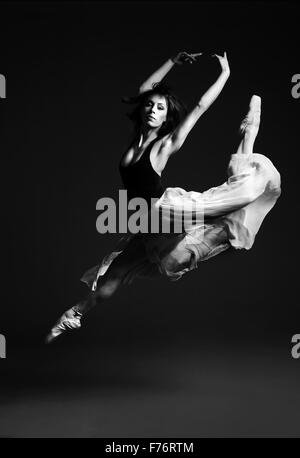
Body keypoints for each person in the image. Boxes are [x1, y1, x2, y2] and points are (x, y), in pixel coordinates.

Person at [45, 51, 281, 343]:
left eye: (160, 108)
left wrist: (225, 74)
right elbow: (146, 90)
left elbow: (199, 107)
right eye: (151, 106)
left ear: (166, 117)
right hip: (146, 224)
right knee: (114, 274)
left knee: (233, 201)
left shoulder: (165, 144)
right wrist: (172, 61)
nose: (153, 110)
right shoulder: (136, 140)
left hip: (168, 209)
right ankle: (75, 315)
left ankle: (249, 136)